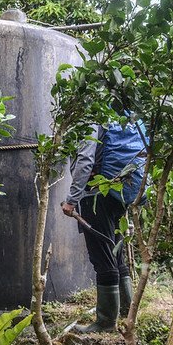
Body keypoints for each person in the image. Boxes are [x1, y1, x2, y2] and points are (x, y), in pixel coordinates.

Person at [61, 117, 147, 333]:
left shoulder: (89, 123)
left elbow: (85, 161)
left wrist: (72, 200)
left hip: (97, 195)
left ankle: (106, 321)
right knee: (115, 252)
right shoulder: (115, 123)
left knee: (102, 256)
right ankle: (127, 312)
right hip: (119, 194)